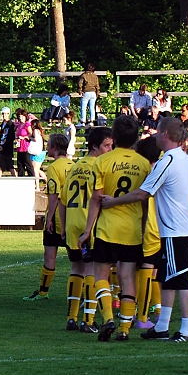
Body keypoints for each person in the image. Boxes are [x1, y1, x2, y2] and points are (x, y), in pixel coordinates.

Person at [102, 117, 188, 342]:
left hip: (175, 230)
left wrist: (112, 202)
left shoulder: (168, 161)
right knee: (166, 277)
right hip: (181, 227)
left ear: (165, 135)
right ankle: (162, 325)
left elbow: (143, 192)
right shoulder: (187, 161)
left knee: (179, 279)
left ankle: (186, 330)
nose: (153, 137)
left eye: (157, 133)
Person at [79, 115, 151, 341]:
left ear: (115, 135)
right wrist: (143, 227)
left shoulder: (103, 161)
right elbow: (145, 200)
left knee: (101, 274)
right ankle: (124, 328)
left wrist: (88, 230)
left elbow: (96, 199)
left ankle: (108, 317)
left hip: (107, 228)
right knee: (128, 277)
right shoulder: (144, 164)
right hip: (132, 230)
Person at [58, 127, 113, 332]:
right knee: (93, 271)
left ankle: (71, 318)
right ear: (94, 147)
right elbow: (99, 198)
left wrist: (63, 227)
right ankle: (88, 320)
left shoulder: (76, 166)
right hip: (89, 224)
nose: (110, 149)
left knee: (76, 269)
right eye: (107, 145)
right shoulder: (100, 167)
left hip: (72, 223)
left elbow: (62, 201)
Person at [23, 134, 74, 301]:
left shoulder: (53, 168)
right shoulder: (75, 166)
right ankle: (79, 294)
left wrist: (50, 218)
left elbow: (54, 195)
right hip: (73, 218)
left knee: (50, 255)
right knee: (76, 259)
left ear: (54, 148)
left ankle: (44, 292)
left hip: (59, 218)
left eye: (49, 145)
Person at [132, 136, 162, 329]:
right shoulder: (154, 172)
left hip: (133, 227)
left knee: (132, 270)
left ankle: (134, 312)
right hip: (151, 229)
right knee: (148, 271)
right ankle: (144, 317)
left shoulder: (140, 172)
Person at [0, 107, 17, 177]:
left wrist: (3, 147)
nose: (3, 115)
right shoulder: (3, 124)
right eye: (2, 113)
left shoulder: (10, 124)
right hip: (2, 147)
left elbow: (11, 138)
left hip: (7, 148)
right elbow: (2, 136)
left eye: (4, 114)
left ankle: (16, 179)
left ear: (8, 114)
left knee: (9, 166)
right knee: (1, 166)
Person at [14, 108, 35, 177]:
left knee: (28, 164)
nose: (21, 118)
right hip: (19, 147)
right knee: (20, 165)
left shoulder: (27, 124)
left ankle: (32, 179)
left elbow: (31, 134)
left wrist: (24, 137)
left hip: (26, 147)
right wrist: (17, 138)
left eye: (22, 116)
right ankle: (21, 180)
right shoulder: (19, 125)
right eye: (19, 116)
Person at [29, 119, 47, 191]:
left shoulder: (36, 131)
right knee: (38, 169)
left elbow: (35, 139)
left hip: (37, 153)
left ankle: (37, 186)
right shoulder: (40, 131)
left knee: (35, 170)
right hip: (41, 152)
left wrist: (29, 137)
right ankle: (47, 182)